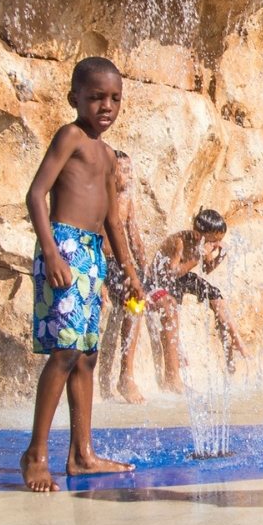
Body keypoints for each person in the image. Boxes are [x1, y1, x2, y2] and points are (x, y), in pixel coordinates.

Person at [21, 56, 144, 493]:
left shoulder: (109, 154)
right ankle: (36, 454)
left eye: (114, 98)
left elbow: (113, 221)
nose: (106, 106)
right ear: (75, 98)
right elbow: (36, 195)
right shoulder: (70, 136)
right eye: (95, 97)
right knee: (65, 352)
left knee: (86, 356)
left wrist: (129, 271)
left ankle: (81, 455)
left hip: (92, 254)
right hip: (65, 247)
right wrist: (52, 252)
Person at [151, 209, 251, 377]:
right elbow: (172, 273)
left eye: (219, 240)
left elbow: (207, 268)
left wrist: (220, 256)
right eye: (214, 240)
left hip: (183, 276)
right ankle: (178, 346)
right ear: (198, 234)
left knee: (215, 294)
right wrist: (196, 257)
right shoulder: (180, 242)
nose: (216, 243)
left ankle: (237, 339)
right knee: (174, 300)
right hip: (163, 279)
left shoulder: (205, 244)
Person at [101, 150, 150, 404]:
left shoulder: (126, 200)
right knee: (132, 302)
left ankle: (125, 374)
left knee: (137, 304)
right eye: (124, 170)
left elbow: (134, 236)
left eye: (131, 170)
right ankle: (124, 376)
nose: (129, 176)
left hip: (121, 267)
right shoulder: (99, 196)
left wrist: (146, 269)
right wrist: (99, 281)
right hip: (102, 263)